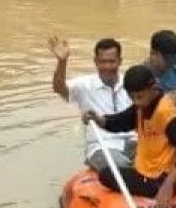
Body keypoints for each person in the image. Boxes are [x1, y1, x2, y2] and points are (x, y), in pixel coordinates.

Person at [82, 65, 176, 208]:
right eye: (132, 97)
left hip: (162, 178)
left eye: (139, 97)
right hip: (150, 170)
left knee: (106, 174)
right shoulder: (143, 105)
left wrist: (168, 184)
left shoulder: (165, 112)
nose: (136, 102)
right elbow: (123, 120)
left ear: (153, 88)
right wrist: (99, 119)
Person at [49, 35, 135, 172]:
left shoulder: (131, 83)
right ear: (95, 61)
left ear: (120, 61)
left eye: (112, 62)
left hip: (132, 142)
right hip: (102, 146)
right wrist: (62, 62)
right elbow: (59, 88)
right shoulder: (84, 84)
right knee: (122, 168)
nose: (107, 67)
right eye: (102, 62)